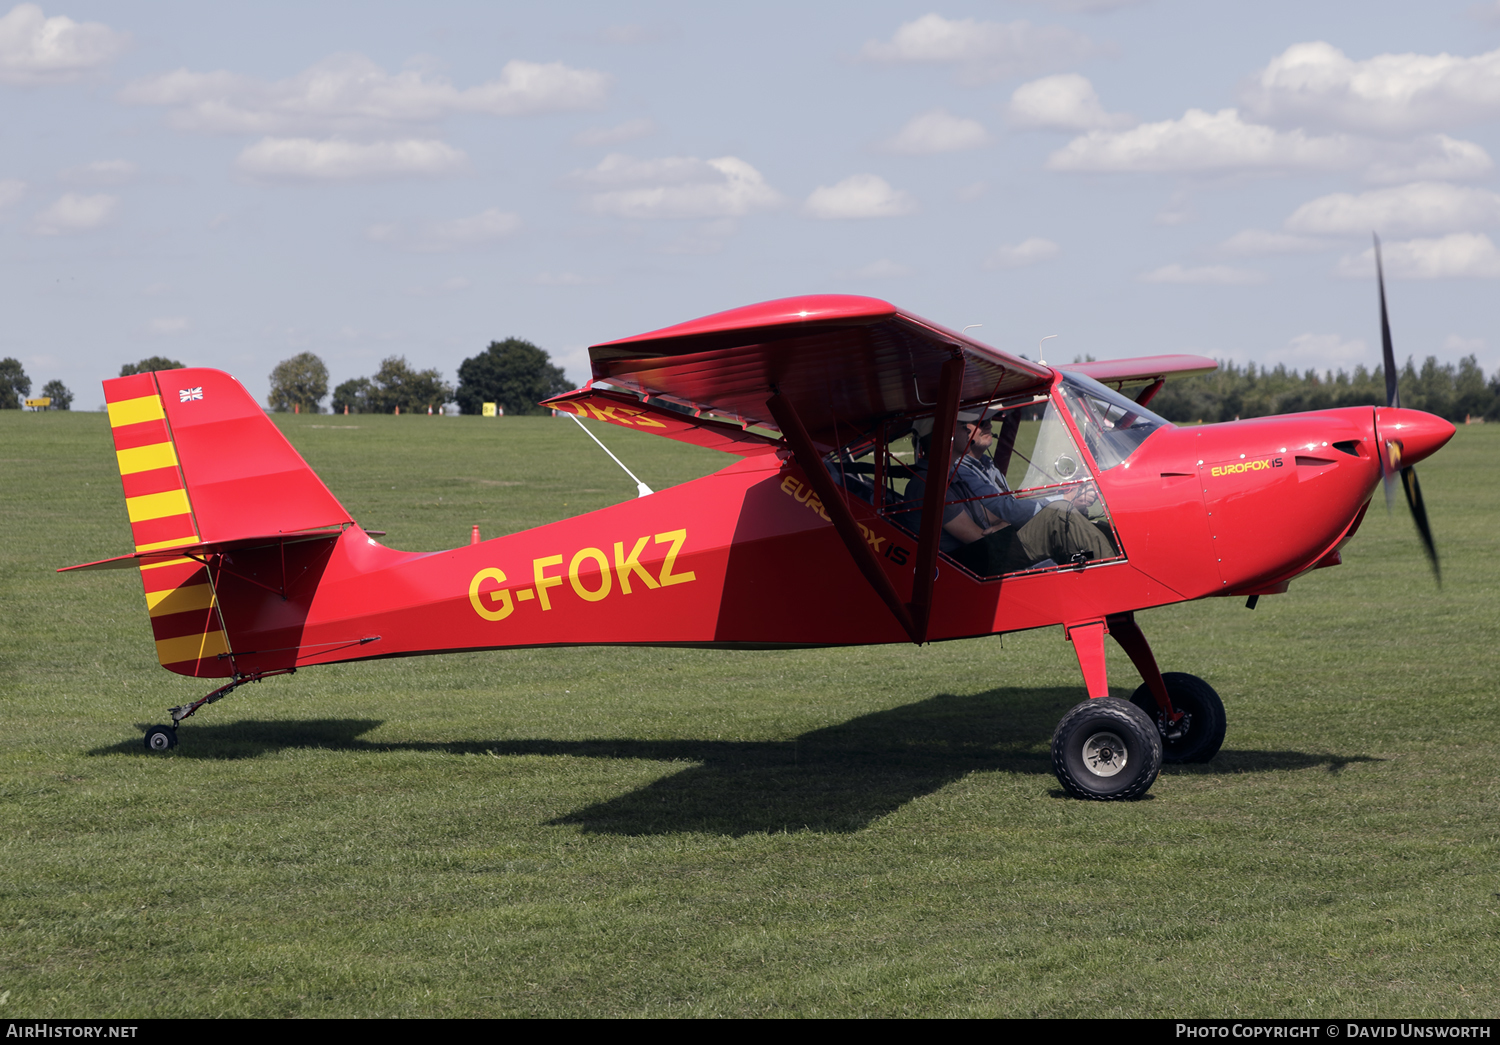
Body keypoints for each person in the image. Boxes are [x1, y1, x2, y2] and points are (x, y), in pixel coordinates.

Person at [906, 411, 1118, 577]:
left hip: (987, 551)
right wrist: (1063, 500)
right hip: (967, 565)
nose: (988, 424)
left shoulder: (958, 473)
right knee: (1059, 515)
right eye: (977, 422)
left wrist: (1003, 523)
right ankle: (1114, 577)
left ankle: (1107, 566)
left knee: (1087, 522)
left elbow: (994, 514)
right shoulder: (928, 485)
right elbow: (976, 537)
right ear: (946, 436)